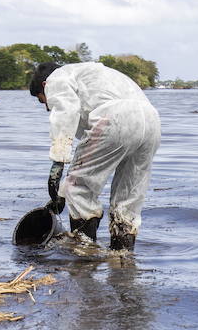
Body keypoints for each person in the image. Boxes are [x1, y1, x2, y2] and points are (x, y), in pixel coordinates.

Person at [29, 61, 161, 251]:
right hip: (151, 121)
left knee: (78, 188)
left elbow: (66, 110)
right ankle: (122, 258)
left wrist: (58, 161)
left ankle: (85, 253)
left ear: (44, 86)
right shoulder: (99, 74)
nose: (47, 108)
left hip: (114, 118)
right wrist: (61, 194)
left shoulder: (57, 77)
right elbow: (91, 156)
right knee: (130, 194)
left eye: (44, 101)